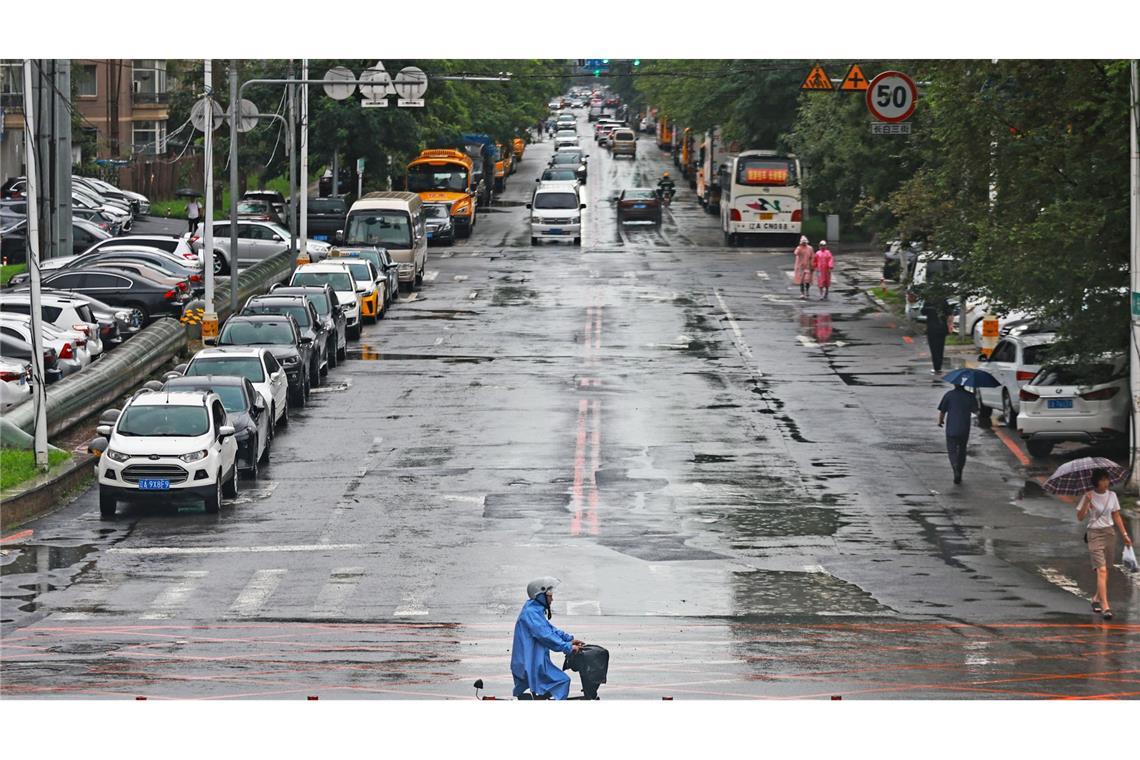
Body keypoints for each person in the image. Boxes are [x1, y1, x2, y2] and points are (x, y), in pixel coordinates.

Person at [510, 577, 584, 700]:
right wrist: (567, 647)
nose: (552, 598)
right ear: (540, 595)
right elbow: (546, 636)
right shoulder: (531, 613)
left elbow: (550, 629)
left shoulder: (534, 610)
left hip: (534, 661)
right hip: (531, 664)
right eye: (549, 595)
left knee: (553, 686)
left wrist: (568, 639)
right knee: (563, 681)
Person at [1076, 469, 1133, 620]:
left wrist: (1125, 535)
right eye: (1103, 480)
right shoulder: (1088, 496)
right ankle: (1105, 606)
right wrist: (1086, 502)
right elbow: (1080, 517)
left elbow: (1116, 515)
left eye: (1107, 479)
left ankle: (1096, 598)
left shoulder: (1112, 495)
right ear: (1096, 482)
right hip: (1094, 534)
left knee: (1106, 569)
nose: (1106, 482)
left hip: (1109, 533)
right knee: (1101, 570)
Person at [937, 378, 977, 484]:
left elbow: (943, 411)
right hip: (964, 427)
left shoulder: (949, 395)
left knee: (952, 450)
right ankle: (960, 469)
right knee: (962, 449)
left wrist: (940, 421)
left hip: (951, 427)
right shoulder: (970, 396)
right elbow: (975, 410)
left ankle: (954, 467)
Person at [921, 298, 951, 374]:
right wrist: (949, 325)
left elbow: (923, 312)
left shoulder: (928, 301)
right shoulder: (944, 301)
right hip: (942, 327)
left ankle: (936, 367)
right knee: (940, 347)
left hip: (932, 328)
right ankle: (939, 366)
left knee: (933, 348)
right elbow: (949, 314)